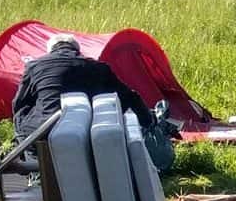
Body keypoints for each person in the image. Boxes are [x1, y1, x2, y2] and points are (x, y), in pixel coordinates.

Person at [12, 34, 157, 133]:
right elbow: (130, 97)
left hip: (43, 130)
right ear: (77, 50)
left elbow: (19, 103)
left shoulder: (34, 66)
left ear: (50, 51)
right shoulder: (99, 67)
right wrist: (148, 122)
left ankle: (25, 152)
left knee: (22, 111)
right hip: (85, 129)